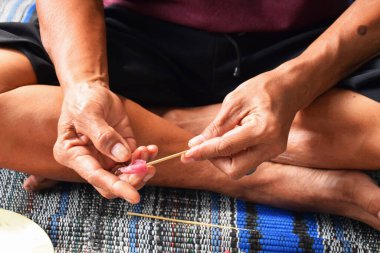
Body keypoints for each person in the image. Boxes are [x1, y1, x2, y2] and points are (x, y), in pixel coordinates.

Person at [1, 0, 380, 230]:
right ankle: (257, 178)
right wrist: (85, 84)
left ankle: (159, 119)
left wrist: (297, 82)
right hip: (129, 33)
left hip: (314, 41)